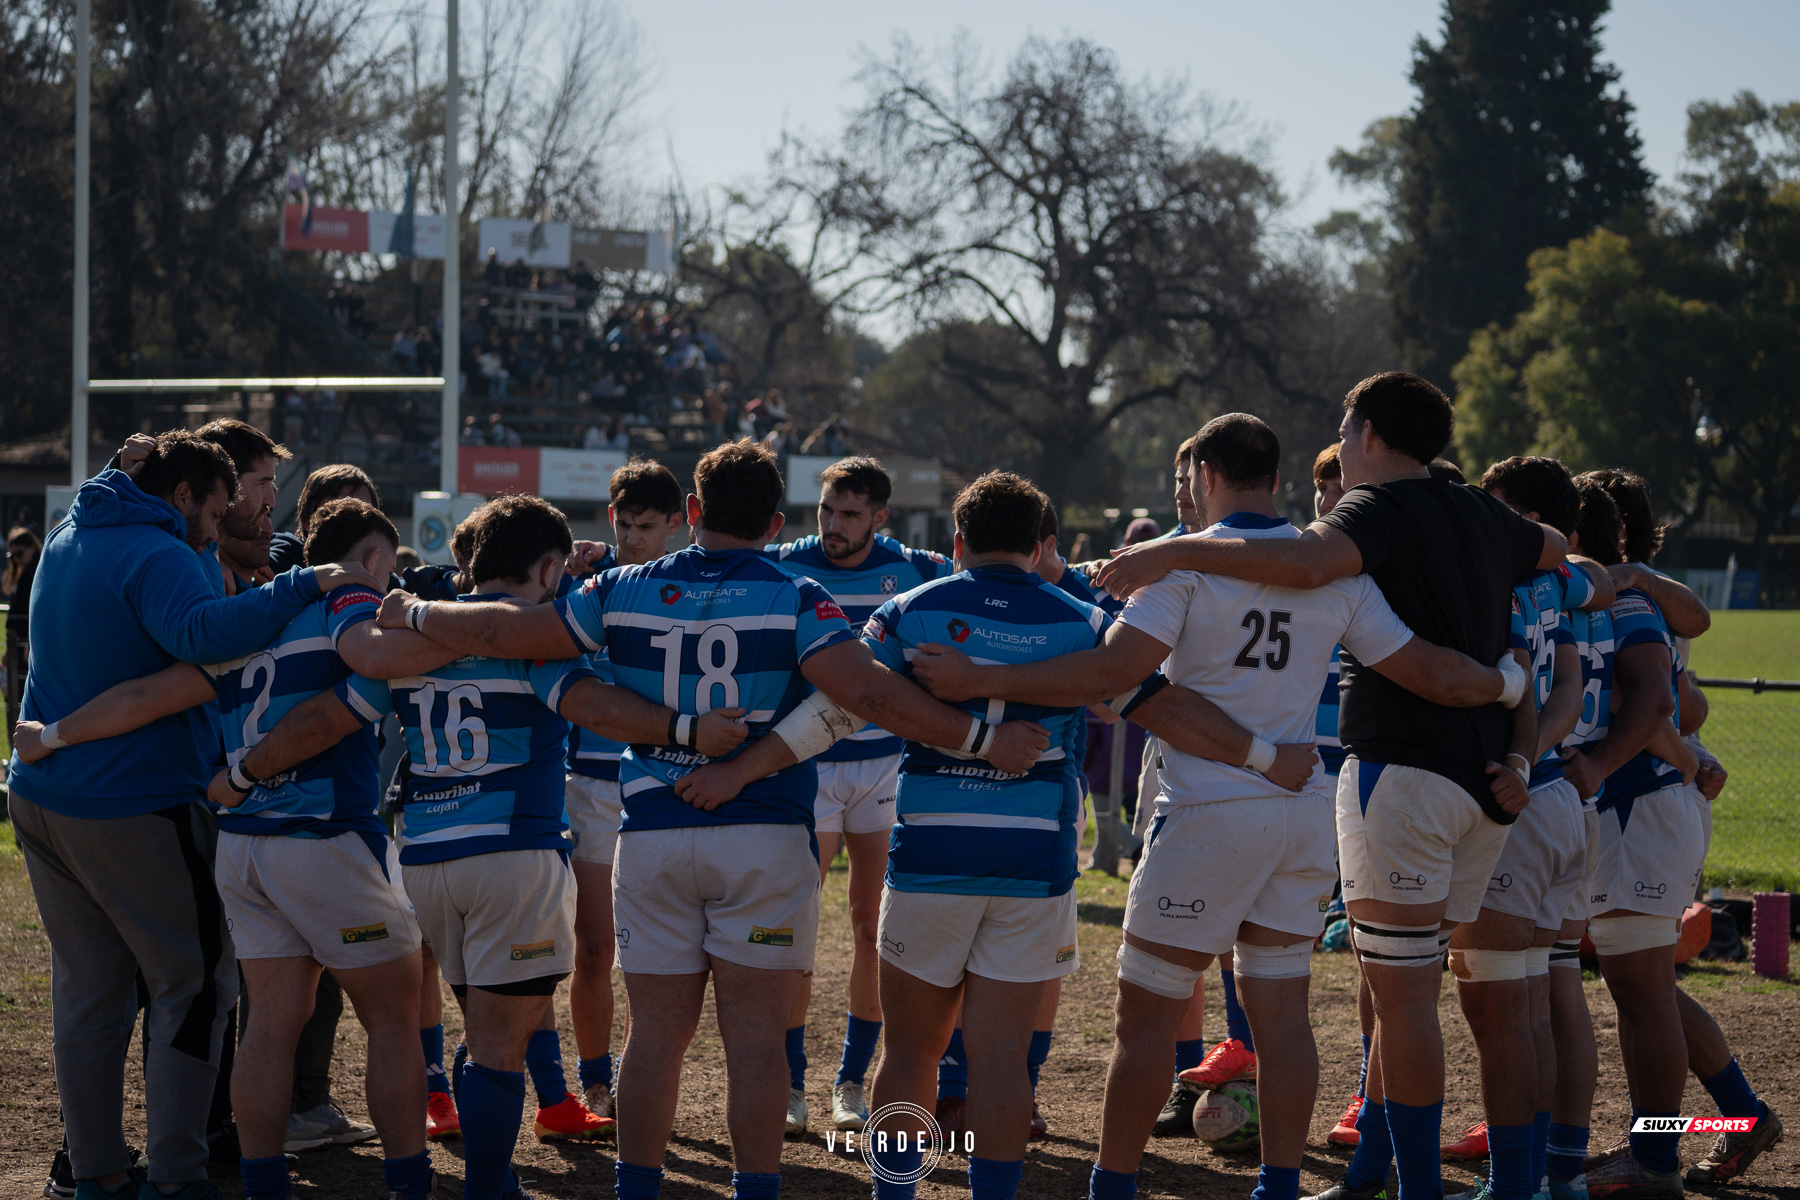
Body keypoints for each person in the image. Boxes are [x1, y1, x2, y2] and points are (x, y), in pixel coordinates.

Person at [375, 441, 1052, 1200]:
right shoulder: (796, 594)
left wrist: (418, 609)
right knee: (756, 1041)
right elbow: (867, 695)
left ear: (692, 511)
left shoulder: (619, 588)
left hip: (653, 833)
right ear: (775, 524)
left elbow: (504, 633)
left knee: (654, 1035)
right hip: (762, 834)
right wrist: (981, 739)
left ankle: (637, 1190)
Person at [912, 422, 1525, 1200]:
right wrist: (1507, 684)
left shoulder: (1183, 563)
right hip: (1302, 810)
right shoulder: (1332, 569)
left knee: (1145, 1024)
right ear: (1276, 479)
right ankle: (1277, 1187)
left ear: (1205, 474)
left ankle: (1113, 1188)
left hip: (1208, 812)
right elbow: (1430, 672)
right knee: (1282, 1016)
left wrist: (979, 679)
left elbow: (1110, 676)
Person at [1096, 374, 1569, 1200]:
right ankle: (1474, 1180)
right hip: (1470, 785)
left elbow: (1303, 565)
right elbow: (1551, 555)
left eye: (1348, 429)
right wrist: (1510, 683)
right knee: (1479, 999)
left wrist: (1171, 550)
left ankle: (1402, 1186)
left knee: (1394, 1003)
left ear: (1373, 435)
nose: (1342, 446)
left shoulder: (1362, 514)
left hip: (1372, 784)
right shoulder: (1474, 515)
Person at [15, 498, 465, 1200]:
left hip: (245, 850)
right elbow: (328, 713)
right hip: (324, 842)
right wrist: (478, 628)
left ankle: (263, 1184)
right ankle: (410, 1184)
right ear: (373, 559)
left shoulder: (243, 622)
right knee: (392, 1019)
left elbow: (146, 695)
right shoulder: (347, 611)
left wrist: (52, 735)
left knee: (270, 1024)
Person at [353, 493, 753, 1200]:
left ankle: (466, 1178)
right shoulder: (532, 645)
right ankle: (488, 1189)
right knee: (498, 1045)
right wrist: (685, 729)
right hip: (512, 856)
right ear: (547, 569)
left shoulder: (414, 642)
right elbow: (595, 707)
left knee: (483, 1033)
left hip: (427, 858)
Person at [1560, 471, 1781, 1199]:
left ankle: (1653, 1159)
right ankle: (1729, 1120)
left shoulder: (1626, 598)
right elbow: (1687, 702)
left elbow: (1660, 701)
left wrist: (1682, 759)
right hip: (1638, 803)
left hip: (1642, 805)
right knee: (1642, 986)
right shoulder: (1617, 596)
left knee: (1644, 990)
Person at [765, 457, 955, 1135]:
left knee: (874, 927)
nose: (834, 525)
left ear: (880, 517)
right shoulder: (784, 562)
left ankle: (850, 1080)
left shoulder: (915, 567)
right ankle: (790, 1082)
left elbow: (991, 574)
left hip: (881, 766)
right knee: (794, 929)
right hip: (808, 767)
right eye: (826, 510)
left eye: (849, 514)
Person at [541, 459, 691, 1135]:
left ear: (676, 525)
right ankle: (596, 1080)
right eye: (624, 525)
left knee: (655, 956)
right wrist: (566, 577)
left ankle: (641, 1077)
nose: (631, 538)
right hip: (595, 790)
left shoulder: (688, 588)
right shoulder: (587, 588)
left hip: (663, 784)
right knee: (596, 948)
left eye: (646, 527)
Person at [195, 420, 289, 596]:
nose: (270, 501)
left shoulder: (208, 561)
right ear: (225, 482)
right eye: (262, 483)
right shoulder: (188, 568)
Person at [268, 464, 381, 575]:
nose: (354, 523)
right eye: (340, 512)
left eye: (365, 513)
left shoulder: (382, 573)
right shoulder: (275, 567)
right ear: (309, 521)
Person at [4, 523, 42, 731]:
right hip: (17, 644)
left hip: (27, 646)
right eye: (12, 555)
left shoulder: (35, 574)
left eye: (19, 553)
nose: (16, 559)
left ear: (33, 548)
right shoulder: (25, 573)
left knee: (22, 696)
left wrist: (27, 641)